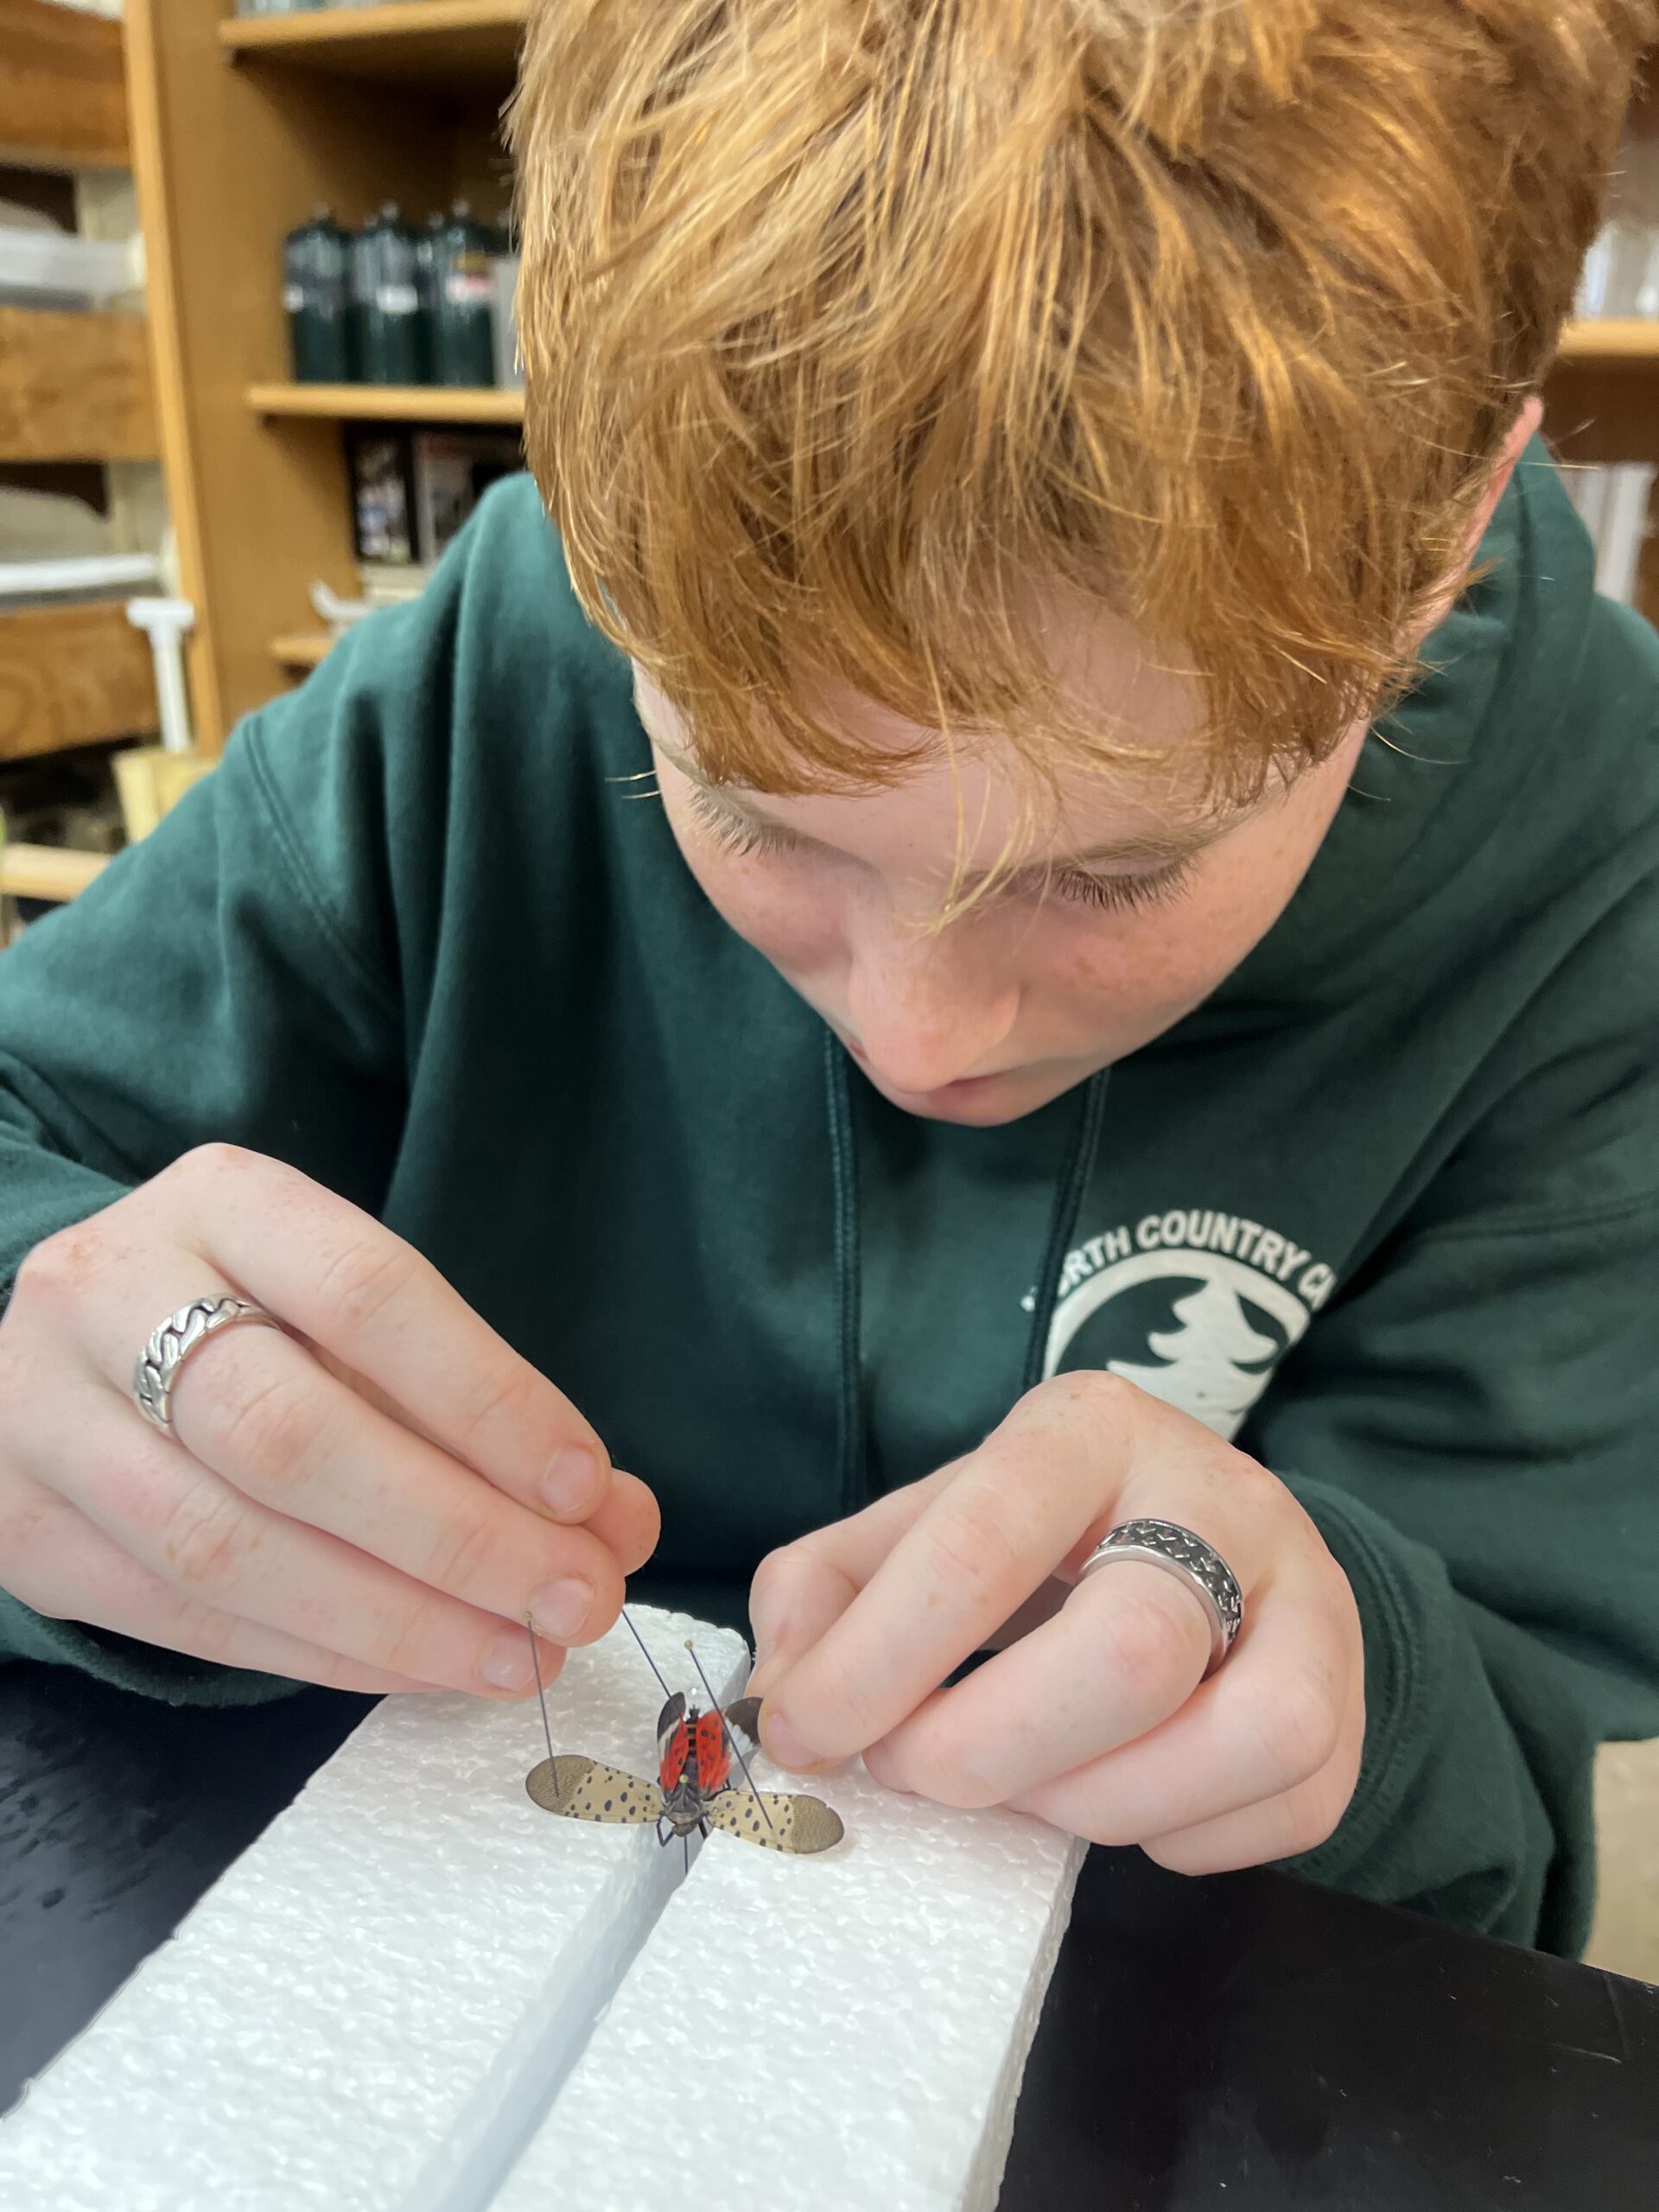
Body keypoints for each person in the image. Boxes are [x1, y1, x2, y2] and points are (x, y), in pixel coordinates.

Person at [1, 0, 1656, 1959]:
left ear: (1449, 535)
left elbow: (1525, 1772)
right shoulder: (502, 652)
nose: (917, 1032)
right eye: (748, 808)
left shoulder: (1606, 864)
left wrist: (1358, 1684)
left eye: (1113, 868)